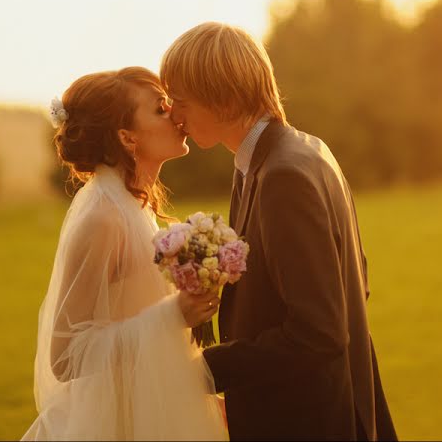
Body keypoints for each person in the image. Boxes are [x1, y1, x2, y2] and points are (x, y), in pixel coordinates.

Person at [160, 22, 398, 441]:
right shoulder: (302, 152)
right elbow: (351, 283)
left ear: (226, 98)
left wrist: (203, 370)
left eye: (181, 102)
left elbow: (319, 332)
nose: (174, 116)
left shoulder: (283, 175)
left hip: (310, 421)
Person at [22, 67, 227, 441]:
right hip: (119, 421)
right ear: (126, 137)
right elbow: (65, 357)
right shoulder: (103, 218)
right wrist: (173, 314)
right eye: (160, 110)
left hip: (153, 404)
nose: (177, 117)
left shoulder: (134, 207)